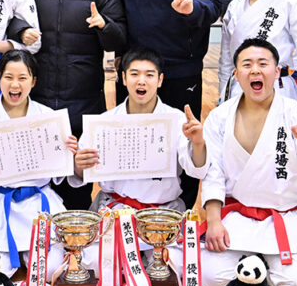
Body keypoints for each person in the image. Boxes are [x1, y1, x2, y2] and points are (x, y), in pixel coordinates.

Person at [110, 0, 221, 208]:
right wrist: (119, 55)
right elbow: (117, 5)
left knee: (181, 142)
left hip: (180, 68)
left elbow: (213, 4)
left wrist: (192, 7)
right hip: (137, 70)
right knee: (134, 142)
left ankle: (179, 211)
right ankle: (131, 205)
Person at [7, 0, 127, 207]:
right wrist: (21, 31)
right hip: (38, 100)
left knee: (78, 179)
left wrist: (104, 26)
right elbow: (11, 20)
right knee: (36, 176)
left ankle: (77, 232)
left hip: (83, 102)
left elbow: (120, 40)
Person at [199, 39, 297, 286]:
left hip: (284, 218)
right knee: (211, 278)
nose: (255, 71)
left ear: (277, 71)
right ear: (236, 74)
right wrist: (214, 221)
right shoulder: (220, 116)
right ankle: (259, 267)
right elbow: (212, 172)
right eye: (247, 65)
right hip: (238, 218)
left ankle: (256, 267)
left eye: (263, 64)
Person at [0, 51, 75, 276]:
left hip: (38, 203)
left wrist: (68, 151)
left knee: (49, 271)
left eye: (22, 78)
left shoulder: (48, 116)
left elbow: (59, 173)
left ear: (33, 81)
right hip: (1, 203)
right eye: (8, 77)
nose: (15, 84)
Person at [72, 47, 208, 219]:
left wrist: (198, 143)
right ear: (123, 78)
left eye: (149, 75)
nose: (141, 81)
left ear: (160, 80)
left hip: (163, 213)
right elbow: (80, 174)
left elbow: (197, 171)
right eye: (134, 74)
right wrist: (78, 165)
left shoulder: (177, 120)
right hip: (114, 211)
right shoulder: (104, 123)